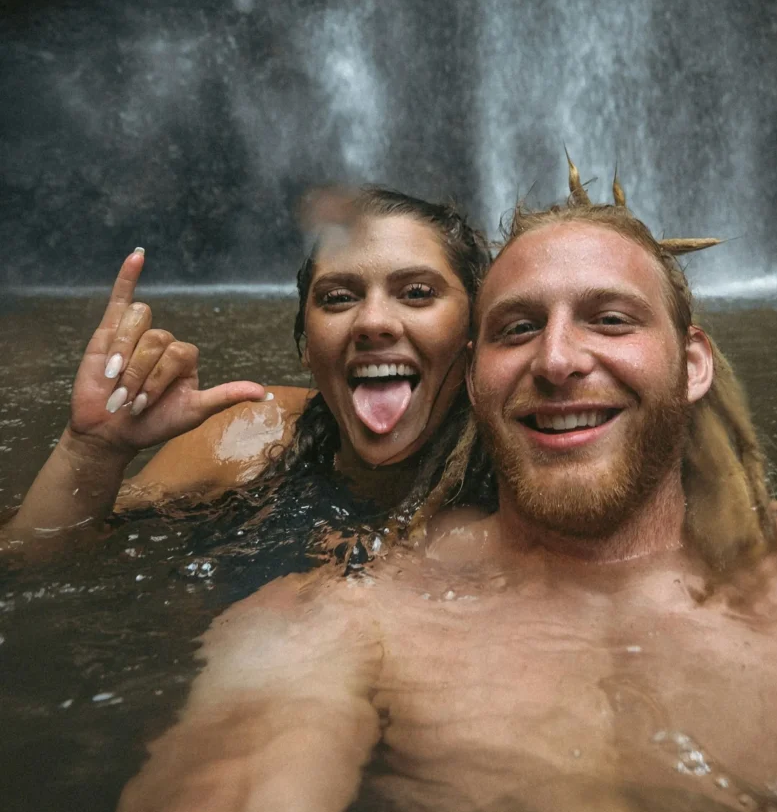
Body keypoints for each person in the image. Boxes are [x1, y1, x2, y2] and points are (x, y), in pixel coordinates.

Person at [79, 173, 777, 812]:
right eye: (518, 327)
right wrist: (88, 452)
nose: (560, 360)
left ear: (692, 363)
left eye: (610, 318)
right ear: (474, 376)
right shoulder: (345, 613)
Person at [1, 186, 491, 560]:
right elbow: (31, 563)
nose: (372, 322)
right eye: (338, 298)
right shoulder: (244, 436)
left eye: (417, 293)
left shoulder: (527, 468)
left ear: (478, 334)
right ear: (306, 346)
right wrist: (94, 451)